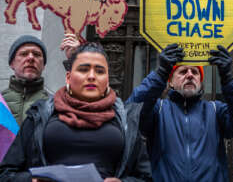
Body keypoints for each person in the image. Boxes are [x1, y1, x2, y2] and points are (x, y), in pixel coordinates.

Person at [0, 42, 152, 182]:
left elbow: (145, 177)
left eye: (99, 71)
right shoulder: (39, 115)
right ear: (68, 77)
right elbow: (6, 173)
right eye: (83, 69)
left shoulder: (126, 120)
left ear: (107, 79)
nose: (91, 76)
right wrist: (31, 180)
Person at [127, 43, 233, 182]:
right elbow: (133, 110)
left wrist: (228, 78)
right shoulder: (159, 109)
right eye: (182, 72)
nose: (189, 75)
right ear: (170, 82)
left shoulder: (215, 110)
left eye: (195, 72)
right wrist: (161, 72)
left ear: (200, 81)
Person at [2, 35, 48, 125]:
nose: (31, 58)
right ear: (12, 63)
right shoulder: (1, 101)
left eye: (37, 54)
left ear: (43, 65)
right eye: (23, 54)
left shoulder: (53, 104)